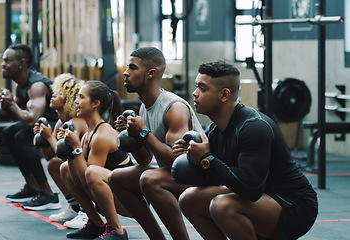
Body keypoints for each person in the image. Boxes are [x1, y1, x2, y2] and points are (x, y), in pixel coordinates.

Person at [173, 60, 318, 240]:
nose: (194, 93)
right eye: (197, 87)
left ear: (224, 95)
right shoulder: (216, 131)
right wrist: (193, 158)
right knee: (189, 199)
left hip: (294, 205)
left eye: (202, 88)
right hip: (261, 197)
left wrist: (207, 159)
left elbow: (251, 188)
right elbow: (215, 178)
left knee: (222, 205)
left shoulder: (253, 127)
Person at [108, 47, 204, 240]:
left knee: (150, 179)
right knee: (116, 178)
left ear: (151, 73)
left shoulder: (173, 107)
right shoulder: (145, 107)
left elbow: (177, 163)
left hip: (199, 177)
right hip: (175, 173)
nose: (126, 72)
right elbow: (145, 159)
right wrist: (131, 137)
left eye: (133, 67)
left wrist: (143, 133)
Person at [60, 80, 133, 239]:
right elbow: (79, 177)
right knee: (65, 168)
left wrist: (76, 147)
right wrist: (72, 148)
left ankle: (117, 230)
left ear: (95, 104)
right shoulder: (89, 133)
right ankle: (96, 224)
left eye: (81, 97)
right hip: (116, 194)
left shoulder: (102, 135)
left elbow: (86, 179)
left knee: (91, 172)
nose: (76, 101)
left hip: (132, 201)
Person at [0, 44, 59, 210]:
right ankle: (32, 186)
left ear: (22, 63)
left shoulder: (36, 85)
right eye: (3, 60)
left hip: (60, 125)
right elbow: (16, 112)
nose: (3, 64)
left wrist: (11, 105)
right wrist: (6, 103)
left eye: (7, 61)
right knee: (8, 132)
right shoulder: (20, 85)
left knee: (23, 137)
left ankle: (48, 194)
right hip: (43, 124)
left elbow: (32, 120)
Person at [33, 73, 89, 225]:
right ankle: (75, 207)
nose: (53, 95)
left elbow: (67, 157)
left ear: (68, 99)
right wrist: (43, 139)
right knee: (53, 164)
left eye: (58, 93)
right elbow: (50, 156)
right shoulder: (60, 122)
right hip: (75, 165)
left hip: (90, 170)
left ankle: (87, 212)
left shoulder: (76, 122)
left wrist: (50, 137)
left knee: (65, 166)